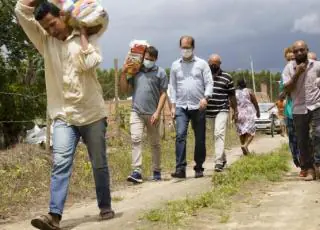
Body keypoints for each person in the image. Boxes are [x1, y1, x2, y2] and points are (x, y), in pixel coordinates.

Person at [15, 1, 114, 229]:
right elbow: (21, 11)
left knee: (99, 163)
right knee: (60, 163)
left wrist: (83, 37)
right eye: (46, 28)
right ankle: (54, 216)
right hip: (63, 115)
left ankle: (105, 205)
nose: (51, 30)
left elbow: (90, 63)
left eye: (52, 24)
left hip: (92, 113)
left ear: (62, 15)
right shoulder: (45, 41)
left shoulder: (87, 35)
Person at [120, 46, 168, 183]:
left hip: (153, 113)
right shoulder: (135, 71)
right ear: (142, 57)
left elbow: (163, 93)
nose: (148, 61)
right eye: (146, 58)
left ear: (156, 59)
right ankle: (137, 171)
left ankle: (157, 171)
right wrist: (123, 73)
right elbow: (124, 90)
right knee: (135, 139)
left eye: (151, 59)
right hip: (137, 111)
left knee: (155, 143)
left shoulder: (161, 73)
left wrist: (158, 112)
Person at [169, 35, 213, 179]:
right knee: (180, 135)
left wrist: (206, 98)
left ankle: (199, 166)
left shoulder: (202, 64)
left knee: (199, 138)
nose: (185, 50)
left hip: (198, 106)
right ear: (180, 47)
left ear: (193, 48)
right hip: (181, 106)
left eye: (188, 47)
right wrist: (173, 106)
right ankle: (180, 168)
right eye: (183, 47)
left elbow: (209, 82)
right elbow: (173, 87)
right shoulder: (175, 65)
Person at [282, 40, 320, 181]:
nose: (299, 53)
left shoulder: (317, 65)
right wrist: (297, 74)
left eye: (302, 50)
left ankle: (318, 163)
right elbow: (286, 89)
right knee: (302, 140)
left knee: (318, 134)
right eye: (296, 51)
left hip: (316, 105)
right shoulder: (288, 68)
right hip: (298, 108)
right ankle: (309, 169)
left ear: (307, 50)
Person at [206, 54, 238, 172]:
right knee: (214, 136)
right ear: (208, 63)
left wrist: (236, 110)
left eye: (216, 63)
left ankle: (218, 162)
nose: (213, 65)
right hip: (208, 111)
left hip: (222, 109)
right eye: (211, 63)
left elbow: (232, 96)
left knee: (219, 133)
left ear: (220, 64)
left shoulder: (227, 77)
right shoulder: (204, 76)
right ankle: (223, 158)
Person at [280, 47, 303, 176]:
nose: (291, 61)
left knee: (305, 138)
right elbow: (282, 92)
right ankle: (299, 161)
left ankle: (307, 164)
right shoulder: (285, 73)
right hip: (290, 110)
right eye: (288, 59)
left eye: (293, 59)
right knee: (293, 139)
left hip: (305, 109)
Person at [235, 79, 260, 155]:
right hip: (248, 113)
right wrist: (258, 111)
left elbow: (232, 103)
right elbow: (255, 102)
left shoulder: (235, 92)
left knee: (241, 132)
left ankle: (244, 148)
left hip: (239, 113)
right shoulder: (249, 91)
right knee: (251, 132)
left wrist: (234, 113)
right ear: (245, 84)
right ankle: (245, 145)